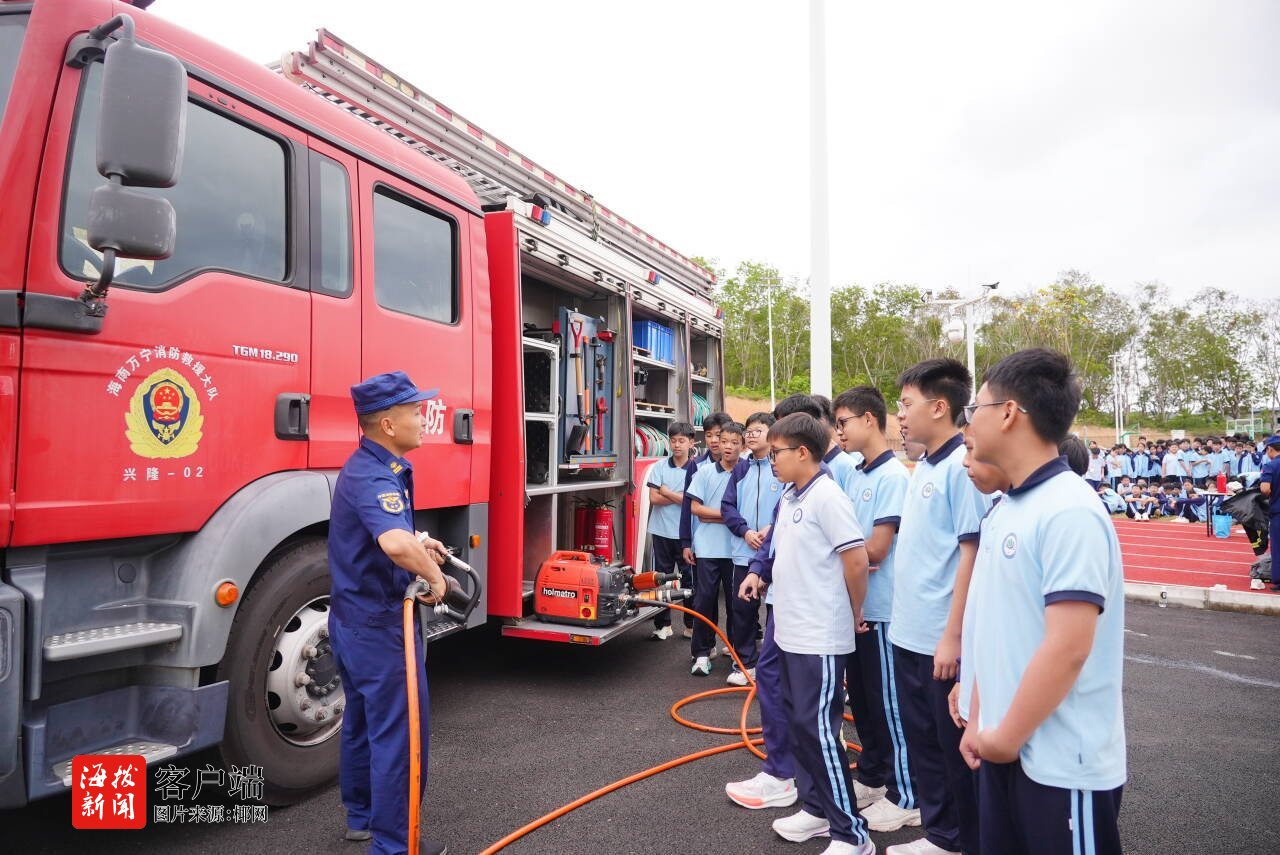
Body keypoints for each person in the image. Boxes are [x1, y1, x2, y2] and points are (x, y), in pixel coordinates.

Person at [960, 348, 1126, 855]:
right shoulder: (1009, 507)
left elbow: (1068, 647)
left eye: (977, 407)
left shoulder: (1069, 510)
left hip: (1060, 764)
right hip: (1006, 745)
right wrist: (980, 714)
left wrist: (1004, 737)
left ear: (1009, 413)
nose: (970, 421)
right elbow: (1000, 628)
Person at [738, 413, 875, 855]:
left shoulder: (827, 497)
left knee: (820, 732)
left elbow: (855, 559)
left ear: (802, 452)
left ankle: (852, 834)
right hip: (792, 634)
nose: (770, 459)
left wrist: (856, 612)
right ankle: (817, 810)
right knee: (801, 727)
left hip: (820, 638)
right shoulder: (794, 495)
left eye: (776, 452)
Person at [328, 371, 451, 855]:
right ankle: (395, 845)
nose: (423, 418)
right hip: (378, 628)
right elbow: (393, 543)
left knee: (362, 723)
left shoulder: (369, 467)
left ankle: (362, 817)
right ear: (387, 423)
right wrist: (436, 579)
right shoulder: (376, 474)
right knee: (399, 735)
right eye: (415, 411)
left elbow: (395, 534)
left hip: (352, 621)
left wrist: (421, 543)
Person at [885, 358, 991, 855]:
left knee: (952, 752)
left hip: (938, 640)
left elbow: (970, 553)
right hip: (909, 632)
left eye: (906, 404)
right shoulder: (925, 465)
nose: (900, 415)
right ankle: (940, 834)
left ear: (940, 406)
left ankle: (963, 840)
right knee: (923, 743)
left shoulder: (959, 468)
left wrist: (953, 636)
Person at [834, 386, 921, 833]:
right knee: (865, 703)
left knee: (891, 705)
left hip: (883, 608)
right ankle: (875, 776)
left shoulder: (892, 477)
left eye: (844, 421)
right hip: (859, 606)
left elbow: (877, 549)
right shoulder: (855, 473)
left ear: (869, 419)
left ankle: (908, 795)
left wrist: (834, 551)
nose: (839, 431)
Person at [720, 412, 782, 685]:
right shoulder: (741, 468)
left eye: (758, 429)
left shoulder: (781, 467)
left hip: (774, 555)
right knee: (742, 611)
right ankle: (745, 664)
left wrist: (771, 529)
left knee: (775, 613)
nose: (751, 434)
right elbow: (727, 506)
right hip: (744, 553)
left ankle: (773, 667)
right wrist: (745, 531)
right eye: (749, 430)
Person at [687, 422, 747, 676]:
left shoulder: (747, 473)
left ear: (742, 445)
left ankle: (736, 652)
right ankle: (701, 653)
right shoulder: (704, 473)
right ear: (718, 444)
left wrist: (715, 515)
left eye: (735, 442)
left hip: (737, 549)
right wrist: (732, 516)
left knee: (738, 604)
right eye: (724, 441)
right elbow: (695, 510)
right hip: (708, 548)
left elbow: (708, 512)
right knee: (704, 600)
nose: (728, 447)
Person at [646, 422, 698, 640]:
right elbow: (653, 498)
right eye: (673, 440)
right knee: (661, 580)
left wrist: (667, 491)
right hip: (660, 531)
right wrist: (678, 496)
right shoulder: (659, 466)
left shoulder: (696, 468)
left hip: (685, 535)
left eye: (682, 441)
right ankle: (663, 624)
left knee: (689, 580)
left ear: (691, 443)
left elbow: (693, 501)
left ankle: (690, 625)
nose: (677, 445)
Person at [1259, 435, 1280, 591]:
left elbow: (1265, 489)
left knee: (1278, 547)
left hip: (1278, 511)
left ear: (1270, 449)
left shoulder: (1271, 466)